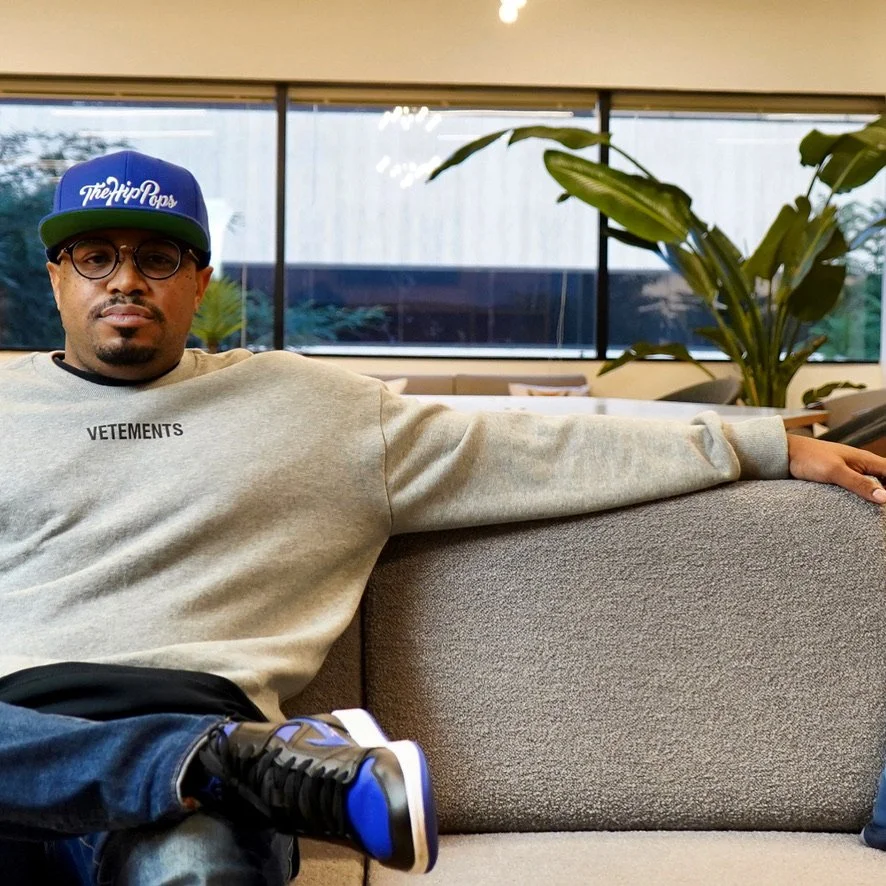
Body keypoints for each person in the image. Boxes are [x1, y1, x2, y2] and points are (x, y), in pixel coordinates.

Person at [1, 149, 884, 884]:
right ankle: (225, 763)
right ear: (56, 276)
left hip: (195, 727)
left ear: (198, 281)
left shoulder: (313, 409)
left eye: (156, 259)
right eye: (94, 257)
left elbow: (536, 447)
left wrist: (759, 446)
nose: (125, 281)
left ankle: (209, 766)